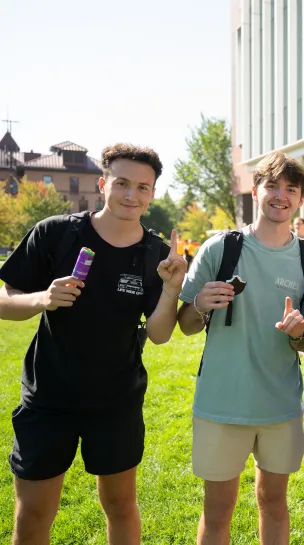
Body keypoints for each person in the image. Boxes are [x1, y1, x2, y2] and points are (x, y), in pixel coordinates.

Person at [0, 143, 186, 545]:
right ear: (103, 184)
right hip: (48, 398)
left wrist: (172, 289)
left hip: (116, 401)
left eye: (142, 187)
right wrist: (41, 299)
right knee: (33, 513)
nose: (130, 195)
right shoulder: (57, 233)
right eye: (121, 183)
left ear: (152, 194)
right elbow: (4, 300)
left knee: (120, 506)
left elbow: (159, 333)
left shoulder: (155, 252)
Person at [177, 151, 304, 545]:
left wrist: (299, 332)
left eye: (290, 190)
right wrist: (198, 305)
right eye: (272, 186)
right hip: (222, 403)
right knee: (217, 512)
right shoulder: (219, 249)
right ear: (256, 191)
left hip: (280, 405)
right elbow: (186, 326)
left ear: (300, 200)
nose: (281, 196)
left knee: (274, 502)